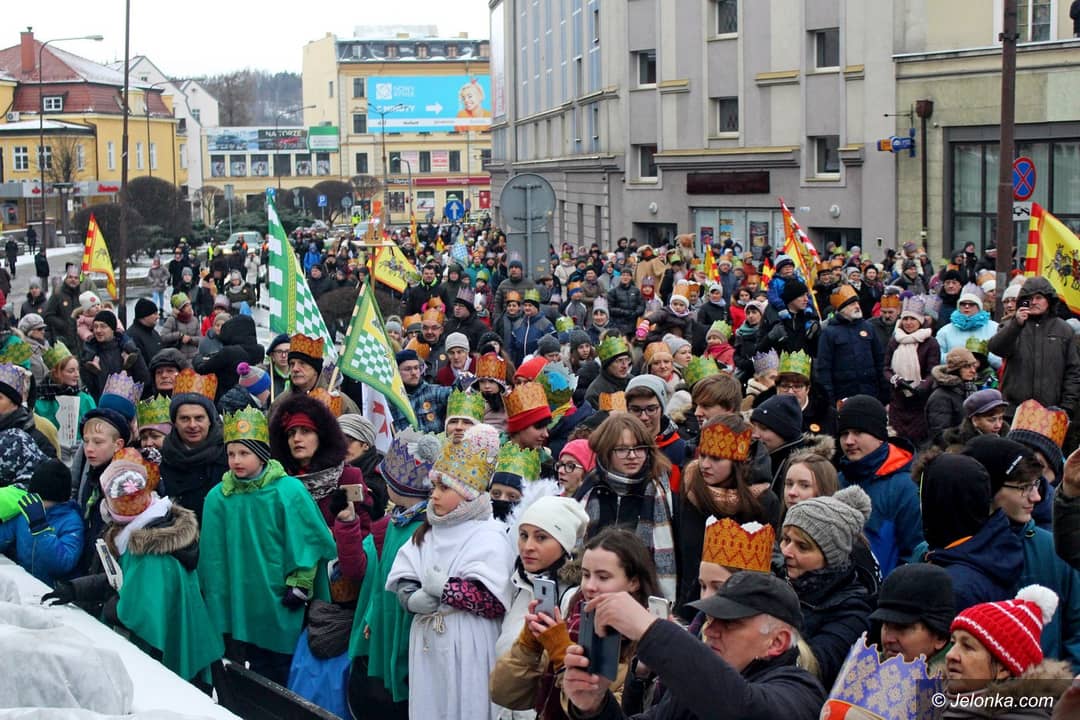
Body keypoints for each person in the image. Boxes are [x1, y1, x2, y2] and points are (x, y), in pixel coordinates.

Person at [561, 571, 825, 720]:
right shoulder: (696, 690)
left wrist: (650, 630)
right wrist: (594, 706)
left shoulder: (799, 691)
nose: (709, 630)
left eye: (730, 623)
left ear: (776, 642)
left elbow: (743, 709)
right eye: (711, 619)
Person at [200, 407, 337, 686]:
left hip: (278, 596)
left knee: (282, 667)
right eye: (231, 453)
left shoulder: (288, 491)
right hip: (239, 599)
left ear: (262, 454)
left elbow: (308, 540)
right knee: (248, 671)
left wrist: (301, 583)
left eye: (244, 453)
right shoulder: (218, 497)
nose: (236, 460)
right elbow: (213, 557)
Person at [386, 423, 515, 720]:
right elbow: (405, 572)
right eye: (434, 487)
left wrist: (447, 589)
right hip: (428, 640)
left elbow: (493, 601)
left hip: (469, 640)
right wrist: (410, 598)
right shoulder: (427, 531)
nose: (434, 495)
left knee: (467, 703)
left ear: (467, 493)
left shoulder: (490, 535)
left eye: (444, 488)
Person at [490, 529, 661, 719]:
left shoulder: (646, 638)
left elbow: (606, 711)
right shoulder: (575, 620)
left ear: (634, 582)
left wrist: (562, 654)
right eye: (586, 575)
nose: (589, 586)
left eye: (603, 577)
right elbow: (504, 694)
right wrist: (528, 646)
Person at [346, 429, 441, 720]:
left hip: (406, 618)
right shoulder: (396, 522)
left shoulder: (423, 530)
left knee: (399, 678)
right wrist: (372, 613)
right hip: (384, 612)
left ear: (401, 486)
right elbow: (380, 578)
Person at [677, 414, 778, 612]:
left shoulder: (763, 501)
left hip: (738, 609)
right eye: (703, 455)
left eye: (716, 458)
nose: (705, 464)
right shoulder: (691, 490)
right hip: (689, 606)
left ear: (738, 460)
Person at [780, 486, 875, 688]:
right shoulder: (778, 580)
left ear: (831, 557)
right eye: (786, 539)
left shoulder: (853, 612)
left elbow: (813, 667)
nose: (786, 551)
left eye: (802, 546)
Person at [577, 413, 677, 601]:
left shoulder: (656, 490)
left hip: (641, 595)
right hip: (590, 591)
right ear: (606, 451)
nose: (632, 456)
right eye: (622, 449)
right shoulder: (591, 488)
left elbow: (668, 556)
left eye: (639, 448)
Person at [944, 586, 1072, 717]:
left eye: (967, 646)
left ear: (1003, 669)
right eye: (953, 643)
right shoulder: (934, 699)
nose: (950, 655)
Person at [836, 394, 921, 577]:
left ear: (879, 436)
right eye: (844, 433)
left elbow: (914, 552)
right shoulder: (839, 479)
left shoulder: (905, 487)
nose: (849, 441)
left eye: (858, 432)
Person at [988, 276, 1080, 417]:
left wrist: (1067, 407)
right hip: (1014, 411)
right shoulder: (1011, 325)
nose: (1034, 302)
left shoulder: (1064, 330)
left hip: (1051, 412)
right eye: (1029, 298)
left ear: (1049, 300)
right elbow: (996, 348)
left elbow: (1073, 371)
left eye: (1039, 297)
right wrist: (1016, 325)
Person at [158, 370, 228, 520]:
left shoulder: (229, 456)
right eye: (184, 418)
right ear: (175, 422)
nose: (192, 425)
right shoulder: (161, 459)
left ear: (210, 420)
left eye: (199, 418)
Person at [0, 458, 83, 586]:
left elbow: (63, 564)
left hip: (53, 590)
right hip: (26, 584)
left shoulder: (71, 521)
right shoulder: (26, 514)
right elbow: (4, 536)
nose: (34, 500)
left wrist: (41, 528)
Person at [868, 563, 954, 674]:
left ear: (940, 638)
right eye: (886, 625)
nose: (889, 639)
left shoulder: (959, 683)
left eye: (902, 627)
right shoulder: (863, 672)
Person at [815, 285, 886, 405]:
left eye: (857, 303)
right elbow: (824, 368)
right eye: (852, 304)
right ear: (842, 309)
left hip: (870, 393)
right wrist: (829, 399)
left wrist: (884, 393)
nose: (857, 306)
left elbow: (880, 360)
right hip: (843, 395)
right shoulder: (829, 333)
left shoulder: (868, 328)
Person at [883, 294, 939, 446]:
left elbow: (933, 370)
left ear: (920, 321)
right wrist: (896, 380)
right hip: (898, 400)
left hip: (920, 402)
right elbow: (886, 368)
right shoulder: (895, 340)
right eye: (905, 319)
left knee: (919, 442)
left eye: (912, 319)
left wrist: (921, 386)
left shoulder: (930, 343)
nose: (908, 323)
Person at [34, 342, 96, 464]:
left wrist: (83, 444)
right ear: (57, 373)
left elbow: (95, 427)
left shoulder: (85, 399)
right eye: (71, 371)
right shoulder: (40, 401)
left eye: (77, 370)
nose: (77, 375)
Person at [926, 347, 980, 447]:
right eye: (967, 367)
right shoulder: (940, 397)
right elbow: (940, 435)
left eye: (974, 366)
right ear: (956, 369)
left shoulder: (970, 389)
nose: (973, 370)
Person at [43, 266, 83, 351]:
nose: (73, 280)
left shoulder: (81, 296)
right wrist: (63, 324)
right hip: (63, 341)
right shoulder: (58, 295)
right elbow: (47, 316)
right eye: (70, 277)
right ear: (66, 278)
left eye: (76, 278)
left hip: (79, 342)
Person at [160, 293, 201, 363]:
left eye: (189, 304)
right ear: (180, 309)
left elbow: (200, 339)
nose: (189, 307)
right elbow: (163, 337)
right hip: (178, 360)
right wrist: (179, 335)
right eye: (186, 306)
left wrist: (190, 339)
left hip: (194, 359)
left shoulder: (195, 320)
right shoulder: (172, 320)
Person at [127, 298, 161, 369]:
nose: (158, 317)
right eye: (155, 314)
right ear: (144, 316)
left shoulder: (154, 332)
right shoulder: (132, 336)